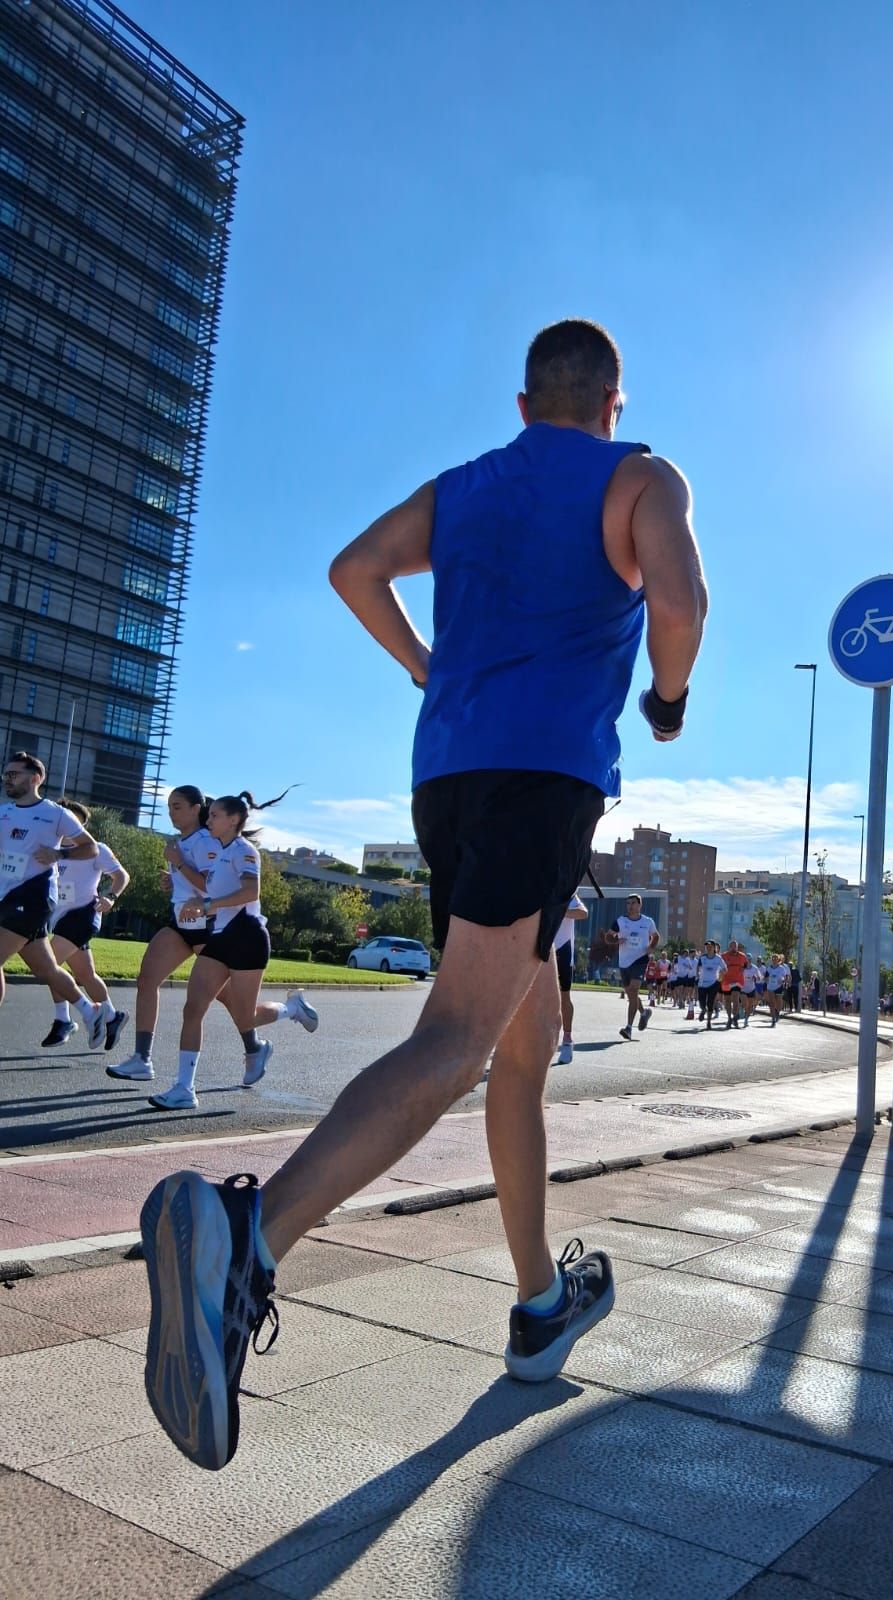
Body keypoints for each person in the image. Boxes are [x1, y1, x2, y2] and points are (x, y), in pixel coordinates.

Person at [138, 317, 707, 1471]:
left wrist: (425, 665)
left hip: (447, 772)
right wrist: (665, 701)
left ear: (522, 402)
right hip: (545, 776)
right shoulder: (641, 473)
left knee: (525, 1035)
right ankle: (252, 1238)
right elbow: (682, 607)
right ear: (611, 398)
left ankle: (541, 1298)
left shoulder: (466, 487)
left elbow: (353, 571)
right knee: (456, 1036)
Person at [108, 785, 317, 1084]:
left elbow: (215, 886)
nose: (171, 812)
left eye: (177, 806)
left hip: (211, 928)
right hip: (181, 924)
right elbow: (205, 881)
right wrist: (174, 878)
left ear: (197, 809)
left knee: (238, 1009)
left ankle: (277, 1023)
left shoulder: (210, 842)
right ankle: (144, 1059)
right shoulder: (188, 841)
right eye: (168, 807)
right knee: (149, 980)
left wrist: (180, 864)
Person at [146, 791, 290, 1111]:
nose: (208, 820)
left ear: (233, 820)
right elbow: (211, 891)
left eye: (214, 816)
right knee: (193, 1008)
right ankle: (184, 1088)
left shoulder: (244, 850)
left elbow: (251, 891)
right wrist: (191, 899)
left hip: (249, 937)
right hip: (221, 937)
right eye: (209, 815)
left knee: (245, 1015)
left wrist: (207, 904)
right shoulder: (220, 853)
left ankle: (291, 1010)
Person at [0, 752, 107, 1047]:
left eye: (14, 774)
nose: (7, 779)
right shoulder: (3, 812)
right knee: (45, 969)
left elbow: (91, 848)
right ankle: (90, 1010)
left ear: (36, 778)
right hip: (6, 897)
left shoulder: (55, 813)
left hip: (33, 896)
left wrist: (59, 854)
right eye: (5, 774)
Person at [41, 800, 130, 1051]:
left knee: (49, 964)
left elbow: (121, 875)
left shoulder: (96, 849)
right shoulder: (50, 849)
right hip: (58, 919)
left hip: (83, 915)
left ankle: (63, 1020)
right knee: (86, 975)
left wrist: (111, 896)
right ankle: (113, 1017)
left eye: (74, 820)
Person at [606, 892, 660, 1038]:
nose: (630, 906)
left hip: (640, 959)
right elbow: (608, 937)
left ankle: (629, 1028)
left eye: (633, 903)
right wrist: (616, 940)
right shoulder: (620, 921)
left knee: (634, 989)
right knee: (631, 994)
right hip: (624, 962)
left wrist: (651, 947)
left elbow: (656, 936)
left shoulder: (648, 922)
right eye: (628, 903)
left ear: (639, 905)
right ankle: (644, 1013)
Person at [553, 892, 587, 1065]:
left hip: (562, 950)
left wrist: (560, 911)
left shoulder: (567, 892)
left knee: (564, 997)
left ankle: (567, 1040)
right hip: (540, 949)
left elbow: (583, 913)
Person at [696, 940, 726, 1028]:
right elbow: (698, 967)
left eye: (710, 946)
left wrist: (721, 976)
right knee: (701, 1002)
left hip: (713, 983)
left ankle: (708, 1022)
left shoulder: (718, 958)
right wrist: (697, 974)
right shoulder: (702, 958)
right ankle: (703, 1010)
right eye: (707, 947)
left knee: (710, 1002)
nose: (708, 948)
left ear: (714, 948)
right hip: (702, 983)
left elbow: (725, 969)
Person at [721, 940, 750, 1028]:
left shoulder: (742, 956)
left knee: (736, 997)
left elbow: (746, 964)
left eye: (735, 946)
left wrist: (743, 968)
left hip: (737, 980)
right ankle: (729, 1018)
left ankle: (735, 1017)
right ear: (729, 947)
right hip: (726, 981)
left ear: (737, 947)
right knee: (727, 1000)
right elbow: (718, 965)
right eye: (732, 946)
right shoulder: (724, 955)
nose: (733, 948)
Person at [765, 953, 791, 1026]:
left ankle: (777, 1012)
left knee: (779, 1003)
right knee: (772, 1003)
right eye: (773, 959)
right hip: (770, 987)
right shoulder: (769, 968)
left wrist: (783, 981)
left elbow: (786, 977)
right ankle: (773, 1019)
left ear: (778, 960)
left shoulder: (782, 968)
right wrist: (766, 980)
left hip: (779, 987)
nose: (774, 960)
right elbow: (765, 977)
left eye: (776, 959)